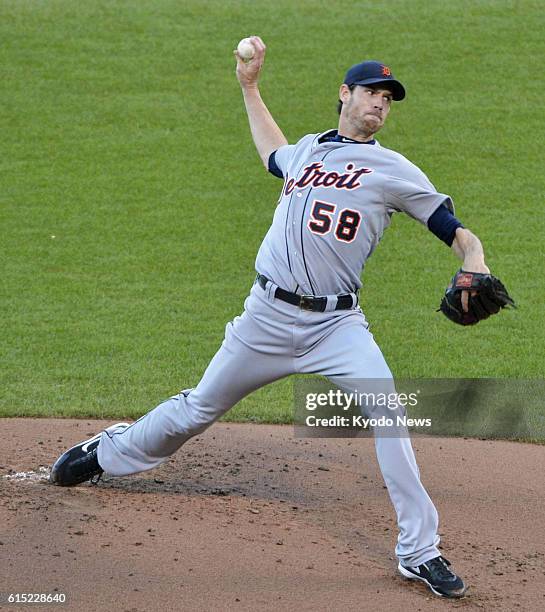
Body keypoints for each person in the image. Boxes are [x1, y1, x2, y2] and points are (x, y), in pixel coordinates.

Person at [49, 36, 495, 599]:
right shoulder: (307, 151)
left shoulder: (395, 169)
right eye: (371, 93)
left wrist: (474, 260)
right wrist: (250, 87)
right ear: (344, 94)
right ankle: (107, 453)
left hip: (336, 327)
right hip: (264, 318)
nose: (380, 104)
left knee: (390, 415)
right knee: (196, 411)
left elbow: (453, 228)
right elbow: (271, 153)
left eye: (388, 98)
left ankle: (419, 551)